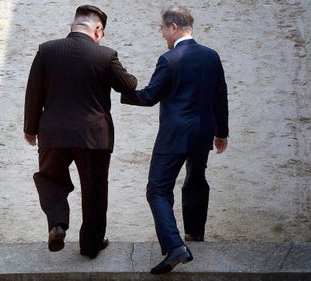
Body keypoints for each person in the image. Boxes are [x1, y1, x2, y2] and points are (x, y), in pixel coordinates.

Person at [121, 6, 229, 274]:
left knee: (157, 189)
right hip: (203, 131)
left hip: (174, 134)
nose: (161, 34)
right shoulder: (211, 56)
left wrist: (123, 91)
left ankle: (175, 245)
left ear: (173, 27)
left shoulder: (169, 59)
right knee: (196, 178)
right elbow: (220, 96)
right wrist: (221, 133)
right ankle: (194, 233)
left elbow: (149, 96)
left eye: (162, 28)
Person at [24, 5, 137, 258]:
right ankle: (91, 245)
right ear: (98, 30)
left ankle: (57, 224)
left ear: (72, 26)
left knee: (49, 178)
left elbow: (33, 93)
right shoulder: (105, 56)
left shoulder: (46, 50)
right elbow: (127, 85)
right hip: (94, 137)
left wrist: (30, 129)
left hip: (53, 134)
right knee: (94, 190)